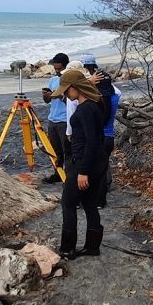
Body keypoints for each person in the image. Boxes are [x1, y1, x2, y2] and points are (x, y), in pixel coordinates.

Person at [51, 69, 109, 259]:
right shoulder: (95, 103)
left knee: (67, 203)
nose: (66, 95)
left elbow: (92, 141)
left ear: (76, 88)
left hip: (85, 163)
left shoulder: (85, 110)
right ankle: (92, 247)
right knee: (89, 203)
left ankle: (67, 249)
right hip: (98, 162)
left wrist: (83, 171)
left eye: (67, 91)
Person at [80, 53, 121, 208]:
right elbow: (115, 90)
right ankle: (100, 201)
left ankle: (92, 199)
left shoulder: (94, 100)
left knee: (90, 168)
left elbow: (79, 90)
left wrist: (89, 82)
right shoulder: (115, 97)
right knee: (102, 170)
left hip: (98, 137)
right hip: (109, 136)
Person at [41, 53, 70, 183]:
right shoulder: (53, 80)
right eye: (55, 69)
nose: (57, 71)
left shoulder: (69, 79)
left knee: (67, 150)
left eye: (59, 69)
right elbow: (47, 101)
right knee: (55, 150)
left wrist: (59, 95)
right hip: (53, 119)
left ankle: (69, 177)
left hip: (64, 120)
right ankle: (57, 173)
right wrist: (47, 95)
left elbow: (71, 101)